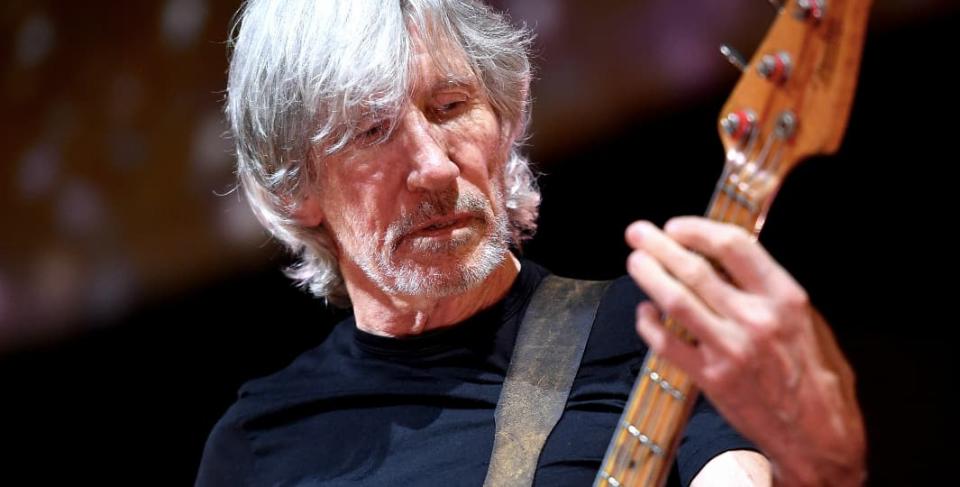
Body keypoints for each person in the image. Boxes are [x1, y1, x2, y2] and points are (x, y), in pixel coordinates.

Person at [197, 1, 866, 485]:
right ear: (295, 186)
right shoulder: (259, 444)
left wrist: (821, 468)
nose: (433, 164)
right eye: (371, 131)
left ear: (508, 116)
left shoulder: (659, 332)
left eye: (451, 106)